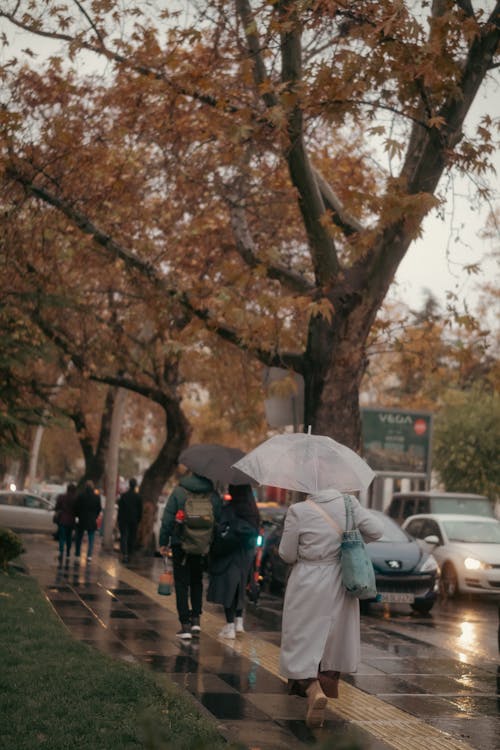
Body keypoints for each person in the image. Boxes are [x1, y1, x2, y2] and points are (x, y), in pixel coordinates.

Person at [278, 489, 384, 728]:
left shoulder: (299, 511)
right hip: (340, 580)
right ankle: (319, 695)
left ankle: (313, 691)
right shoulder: (350, 504)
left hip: (307, 581)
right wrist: (350, 538)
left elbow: (286, 554)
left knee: (300, 641)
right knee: (330, 643)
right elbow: (377, 530)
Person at [159, 468, 222, 640]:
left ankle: (185, 625)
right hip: (202, 547)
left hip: (181, 544)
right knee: (197, 582)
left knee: (181, 584)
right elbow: (218, 521)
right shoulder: (213, 495)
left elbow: (167, 519)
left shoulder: (180, 491)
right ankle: (196, 621)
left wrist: (163, 542)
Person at [207, 484, 260, 639]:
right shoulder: (253, 512)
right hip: (246, 556)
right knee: (241, 587)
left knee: (228, 588)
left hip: (230, 554)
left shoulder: (229, 509)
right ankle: (239, 622)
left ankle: (230, 626)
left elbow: (221, 530)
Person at [74, 480, 102, 562]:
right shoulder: (96, 497)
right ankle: (89, 555)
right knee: (91, 538)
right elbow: (99, 508)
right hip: (91, 519)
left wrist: (78, 516)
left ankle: (77, 554)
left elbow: (77, 507)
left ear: (85, 486)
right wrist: (95, 516)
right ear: (92, 487)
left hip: (82, 519)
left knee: (79, 537)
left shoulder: (81, 495)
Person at [117, 478, 143, 563]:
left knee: (124, 535)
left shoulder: (124, 496)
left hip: (124, 519)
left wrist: (119, 519)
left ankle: (125, 553)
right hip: (134, 520)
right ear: (135, 485)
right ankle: (130, 553)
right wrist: (138, 519)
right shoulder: (138, 497)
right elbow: (140, 510)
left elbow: (120, 509)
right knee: (132, 536)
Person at [54, 482, 77, 564]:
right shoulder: (75, 499)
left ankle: (61, 552)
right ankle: (67, 553)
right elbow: (77, 511)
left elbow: (57, 507)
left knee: (62, 537)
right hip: (71, 521)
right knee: (69, 537)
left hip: (62, 520)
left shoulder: (61, 497)